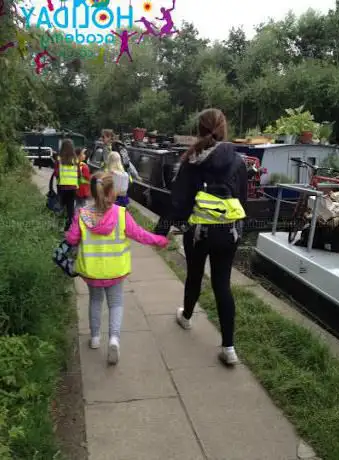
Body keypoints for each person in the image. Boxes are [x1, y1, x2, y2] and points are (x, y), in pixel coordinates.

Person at [154, 108, 248, 366]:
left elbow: (178, 203)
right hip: (228, 233)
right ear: (223, 128)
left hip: (198, 233)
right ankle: (229, 348)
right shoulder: (239, 162)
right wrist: (238, 229)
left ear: (199, 130)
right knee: (222, 285)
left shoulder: (191, 161)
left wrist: (161, 231)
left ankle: (186, 317)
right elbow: (242, 202)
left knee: (194, 276)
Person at [66, 172, 168, 365]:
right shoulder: (121, 214)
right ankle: (113, 339)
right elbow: (140, 235)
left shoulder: (82, 214)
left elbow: (71, 239)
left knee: (95, 301)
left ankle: (95, 338)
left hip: (91, 272)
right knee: (116, 304)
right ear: (112, 193)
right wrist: (160, 240)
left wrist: (73, 230)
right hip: (115, 271)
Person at [54, 138, 80, 231]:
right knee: (70, 207)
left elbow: (56, 173)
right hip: (73, 187)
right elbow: (78, 174)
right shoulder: (75, 160)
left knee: (60, 205)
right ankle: (69, 226)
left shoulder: (59, 159)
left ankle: (59, 225)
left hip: (62, 187)